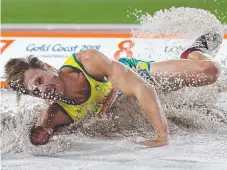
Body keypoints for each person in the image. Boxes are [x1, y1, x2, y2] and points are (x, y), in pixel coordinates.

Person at [4, 31, 222, 147]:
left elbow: (142, 87)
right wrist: (40, 133)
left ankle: (193, 50)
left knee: (208, 71)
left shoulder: (87, 61)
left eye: (41, 80)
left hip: (140, 76)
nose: (43, 90)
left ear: (48, 67)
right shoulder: (53, 112)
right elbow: (42, 133)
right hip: (130, 99)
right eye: (36, 91)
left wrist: (161, 136)